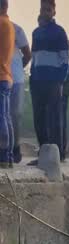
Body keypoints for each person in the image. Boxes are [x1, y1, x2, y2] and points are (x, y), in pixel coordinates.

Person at [29, 0, 69, 167]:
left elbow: (65, 58)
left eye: (48, 9)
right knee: (39, 118)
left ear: (54, 12)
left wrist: (60, 81)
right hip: (37, 80)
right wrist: (32, 76)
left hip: (53, 81)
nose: (45, 12)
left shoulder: (59, 32)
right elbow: (34, 57)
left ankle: (57, 155)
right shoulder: (36, 32)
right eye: (42, 9)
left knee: (54, 118)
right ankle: (43, 154)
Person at [10, 21, 29, 164]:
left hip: (16, 79)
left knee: (15, 115)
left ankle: (15, 148)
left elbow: (27, 54)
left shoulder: (16, 29)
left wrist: (17, 67)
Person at [0, 0, 13, 169]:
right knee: (6, 117)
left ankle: (3, 155)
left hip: (0, 75)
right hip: (6, 76)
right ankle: (7, 155)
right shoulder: (8, 24)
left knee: (1, 117)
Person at [60, 39, 69, 160]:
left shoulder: (64, 42)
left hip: (62, 88)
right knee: (59, 120)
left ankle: (61, 151)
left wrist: (64, 78)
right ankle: (60, 151)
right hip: (61, 87)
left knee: (60, 120)